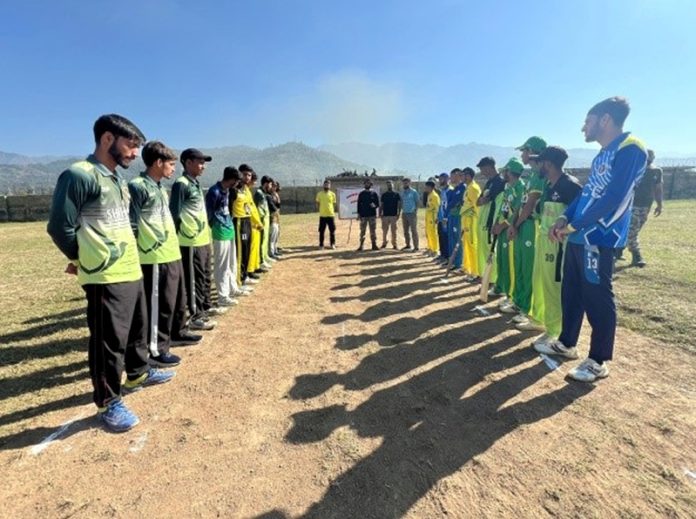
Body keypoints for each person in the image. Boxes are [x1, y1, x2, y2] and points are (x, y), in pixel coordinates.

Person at [47, 114, 174, 432]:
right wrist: (82, 256)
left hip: (130, 270)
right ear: (107, 139)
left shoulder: (117, 179)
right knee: (108, 343)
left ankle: (138, 372)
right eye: (130, 145)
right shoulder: (79, 175)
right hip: (105, 276)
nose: (134, 153)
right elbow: (59, 226)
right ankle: (108, 402)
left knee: (136, 330)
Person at [541, 96, 647, 382]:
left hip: (600, 237)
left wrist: (574, 225)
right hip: (578, 235)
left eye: (587, 121)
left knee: (598, 296)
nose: (582, 128)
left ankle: (598, 360)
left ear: (605, 120)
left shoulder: (631, 148)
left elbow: (615, 197)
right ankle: (566, 343)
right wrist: (564, 219)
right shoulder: (602, 153)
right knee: (572, 291)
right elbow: (587, 194)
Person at [128, 141, 200, 371]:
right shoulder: (138, 186)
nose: (172, 168)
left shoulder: (159, 186)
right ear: (158, 163)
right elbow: (131, 223)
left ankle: (176, 333)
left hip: (171, 253)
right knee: (159, 305)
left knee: (175, 301)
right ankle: (156, 350)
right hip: (154, 257)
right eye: (170, 164)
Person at [524, 146, 581, 343]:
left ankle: (554, 330)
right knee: (539, 281)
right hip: (543, 241)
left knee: (553, 286)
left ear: (547, 164)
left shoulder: (570, 185)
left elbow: (579, 214)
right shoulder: (549, 186)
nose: (536, 166)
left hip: (558, 246)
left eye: (539, 162)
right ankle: (540, 318)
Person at [170, 148, 222, 331]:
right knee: (194, 280)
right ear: (188, 162)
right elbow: (174, 214)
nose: (203, 166)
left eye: (204, 162)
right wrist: (178, 237)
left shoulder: (196, 184)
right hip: (190, 242)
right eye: (200, 162)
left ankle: (203, 310)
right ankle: (194, 316)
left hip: (203, 240)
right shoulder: (181, 184)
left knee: (204, 277)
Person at [505, 136, 547, 325]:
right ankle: (519, 302)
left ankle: (527, 308)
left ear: (532, 151)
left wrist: (517, 224)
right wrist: (513, 224)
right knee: (520, 264)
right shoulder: (531, 176)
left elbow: (530, 206)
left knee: (529, 267)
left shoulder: (540, 175)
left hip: (531, 226)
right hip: (522, 224)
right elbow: (520, 205)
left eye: (524, 151)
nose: (522, 154)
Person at [205, 166, 246, 308]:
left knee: (231, 263)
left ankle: (232, 289)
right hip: (220, 231)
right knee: (221, 265)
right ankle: (222, 296)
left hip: (229, 229)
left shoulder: (227, 190)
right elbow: (209, 213)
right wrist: (216, 227)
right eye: (236, 181)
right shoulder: (214, 191)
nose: (237, 184)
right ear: (232, 179)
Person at [491, 158, 525, 305]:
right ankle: (501, 286)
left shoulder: (520, 187)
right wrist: (496, 224)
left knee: (512, 263)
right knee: (502, 260)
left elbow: (516, 212)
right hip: (502, 228)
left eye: (505, 171)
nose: (503, 173)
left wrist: (503, 225)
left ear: (510, 172)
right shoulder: (508, 187)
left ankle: (511, 295)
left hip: (511, 229)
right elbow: (504, 209)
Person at [624, 149, 663, 267]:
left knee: (635, 229)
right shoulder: (634, 169)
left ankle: (618, 249)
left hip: (646, 205)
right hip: (632, 205)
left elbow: (658, 188)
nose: (649, 159)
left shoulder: (657, 171)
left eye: (651, 156)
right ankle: (637, 256)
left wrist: (659, 204)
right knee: (632, 230)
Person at [475, 157, 506, 292]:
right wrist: (483, 199)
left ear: (489, 167)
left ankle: (493, 281)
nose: (481, 172)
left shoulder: (500, 182)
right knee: (483, 250)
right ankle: (486, 278)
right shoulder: (489, 183)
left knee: (491, 252)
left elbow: (488, 200)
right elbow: (479, 201)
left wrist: (484, 199)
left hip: (491, 222)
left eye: (482, 168)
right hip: (483, 221)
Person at [231, 165, 263, 287]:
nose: (248, 177)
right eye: (245, 174)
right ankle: (239, 280)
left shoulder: (246, 190)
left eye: (249, 175)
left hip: (247, 221)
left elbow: (251, 207)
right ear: (240, 174)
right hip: (239, 222)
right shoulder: (234, 189)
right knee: (241, 252)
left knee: (247, 251)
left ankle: (245, 276)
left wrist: (257, 222)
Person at [461, 167, 481, 280]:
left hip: (472, 222)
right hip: (466, 222)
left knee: (473, 246)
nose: (462, 177)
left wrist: (475, 223)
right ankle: (468, 268)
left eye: (463, 175)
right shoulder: (468, 188)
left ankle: (475, 272)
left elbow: (477, 206)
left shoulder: (473, 188)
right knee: (467, 245)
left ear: (468, 175)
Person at [245, 168, 265, 278]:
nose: (254, 183)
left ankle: (255, 266)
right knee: (251, 249)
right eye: (254, 180)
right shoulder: (245, 191)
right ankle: (249, 270)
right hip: (251, 224)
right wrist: (255, 222)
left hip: (256, 224)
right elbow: (250, 209)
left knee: (255, 247)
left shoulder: (248, 191)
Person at [445, 169, 465, 269]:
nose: (450, 178)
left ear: (458, 176)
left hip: (458, 216)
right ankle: (451, 260)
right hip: (451, 216)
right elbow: (449, 204)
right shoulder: (453, 189)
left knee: (457, 239)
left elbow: (457, 202)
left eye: (452, 176)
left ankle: (458, 262)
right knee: (451, 238)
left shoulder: (462, 188)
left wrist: (454, 205)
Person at [256, 175, 274, 270]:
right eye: (270, 184)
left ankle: (265, 257)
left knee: (265, 240)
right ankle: (260, 260)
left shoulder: (264, 193)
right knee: (261, 241)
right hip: (261, 221)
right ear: (266, 184)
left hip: (266, 220)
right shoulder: (259, 193)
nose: (271, 187)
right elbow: (256, 208)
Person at [357, 179, 380, 251]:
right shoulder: (361, 194)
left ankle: (374, 245)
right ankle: (361, 245)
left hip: (372, 215)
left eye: (368, 183)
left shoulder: (374, 193)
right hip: (363, 215)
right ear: (364, 185)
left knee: (373, 230)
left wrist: (374, 206)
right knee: (362, 230)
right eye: (366, 183)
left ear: (371, 184)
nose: (367, 184)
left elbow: (377, 204)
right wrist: (359, 214)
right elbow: (358, 205)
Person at [316, 179, 337, 249]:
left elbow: (333, 204)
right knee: (321, 231)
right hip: (322, 215)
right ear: (323, 185)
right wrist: (322, 209)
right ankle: (321, 245)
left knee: (332, 230)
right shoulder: (319, 194)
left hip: (331, 215)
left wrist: (330, 210)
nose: (326, 186)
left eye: (328, 185)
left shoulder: (333, 194)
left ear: (330, 186)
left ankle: (332, 244)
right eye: (325, 184)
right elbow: (318, 203)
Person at [380, 180, 401, 249]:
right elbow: (382, 205)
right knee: (384, 231)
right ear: (387, 186)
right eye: (388, 185)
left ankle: (394, 244)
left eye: (390, 184)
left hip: (393, 215)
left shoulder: (396, 194)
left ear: (393, 185)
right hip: (385, 215)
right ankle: (384, 243)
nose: (389, 186)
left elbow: (399, 204)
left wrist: (398, 213)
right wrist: (380, 213)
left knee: (394, 231)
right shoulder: (384, 195)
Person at [400, 178, 420, 251]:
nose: (405, 184)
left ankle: (416, 247)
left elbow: (417, 202)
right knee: (405, 231)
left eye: (406, 183)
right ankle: (408, 245)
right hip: (404, 213)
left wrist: (415, 211)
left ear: (409, 183)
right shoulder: (402, 192)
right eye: (404, 183)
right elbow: (401, 202)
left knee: (413, 230)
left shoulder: (414, 192)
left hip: (412, 214)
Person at [437, 173, 452, 264]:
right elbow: (441, 206)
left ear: (447, 179)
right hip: (441, 218)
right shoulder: (442, 191)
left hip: (446, 219)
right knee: (441, 237)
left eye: (441, 178)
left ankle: (447, 257)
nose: (439, 180)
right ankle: (442, 255)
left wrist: (446, 218)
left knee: (447, 238)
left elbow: (449, 206)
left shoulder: (450, 190)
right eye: (439, 179)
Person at [424, 181, 440, 256]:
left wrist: (436, 218)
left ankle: (435, 250)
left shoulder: (435, 196)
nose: (425, 188)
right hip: (428, 216)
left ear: (431, 187)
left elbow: (437, 207)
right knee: (428, 233)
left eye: (427, 187)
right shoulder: (429, 195)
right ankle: (430, 248)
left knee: (433, 233)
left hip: (433, 217)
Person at [266, 180, 282, 259]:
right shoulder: (268, 196)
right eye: (273, 186)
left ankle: (275, 250)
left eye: (275, 186)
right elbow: (273, 207)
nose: (274, 188)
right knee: (272, 236)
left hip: (276, 217)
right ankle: (271, 252)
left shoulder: (275, 195)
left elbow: (278, 205)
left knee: (276, 235)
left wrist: (277, 197)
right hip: (272, 218)